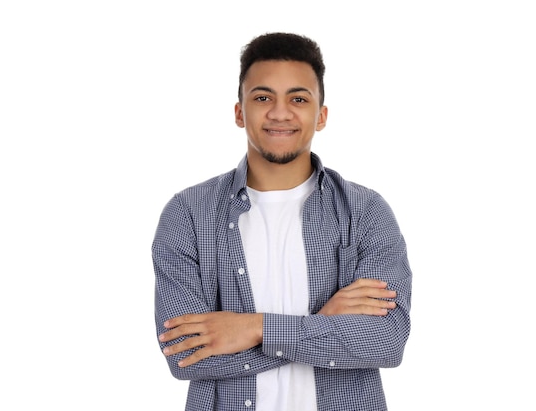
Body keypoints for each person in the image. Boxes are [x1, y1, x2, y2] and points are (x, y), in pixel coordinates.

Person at [152, 32, 412, 411]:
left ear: (320, 115)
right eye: (262, 98)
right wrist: (323, 324)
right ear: (240, 112)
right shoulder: (187, 215)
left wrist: (252, 328)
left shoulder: (366, 212)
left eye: (298, 99)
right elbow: (185, 355)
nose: (279, 112)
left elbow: (385, 342)